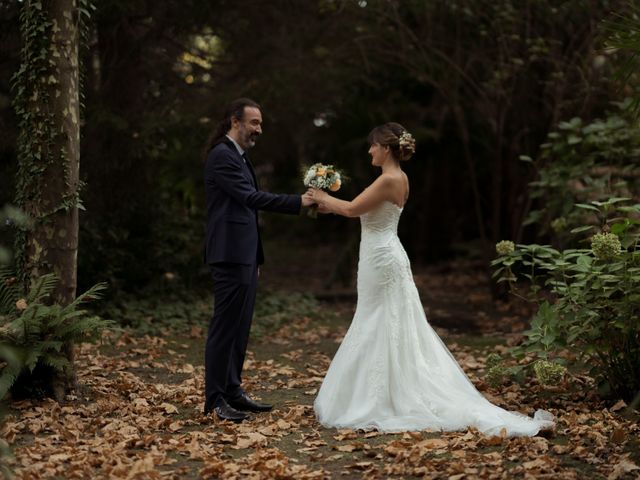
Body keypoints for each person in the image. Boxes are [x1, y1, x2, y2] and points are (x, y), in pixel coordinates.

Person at [307, 122, 554, 435]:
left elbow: (354, 208)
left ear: (385, 148)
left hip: (382, 259)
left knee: (379, 318)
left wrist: (321, 195)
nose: (369, 150)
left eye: (373, 145)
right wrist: (330, 205)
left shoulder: (390, 179)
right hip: (380, 255)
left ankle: (379, 397)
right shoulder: (395, 178)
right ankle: (381, 389)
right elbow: (365, 210)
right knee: (381, 319)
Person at [203, 98, 314, 422]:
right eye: (254, 123)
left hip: (245, 256)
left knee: (241, 327)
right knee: (224, 328)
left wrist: (255, 257)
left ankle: (233, 390)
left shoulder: (239, 156)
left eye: (260, 124)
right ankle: (215, 400)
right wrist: (299, 202)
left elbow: (246, 212)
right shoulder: (222, 156)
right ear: (234, 122)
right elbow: (250, 199)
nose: (259, 130)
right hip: (228, 255)